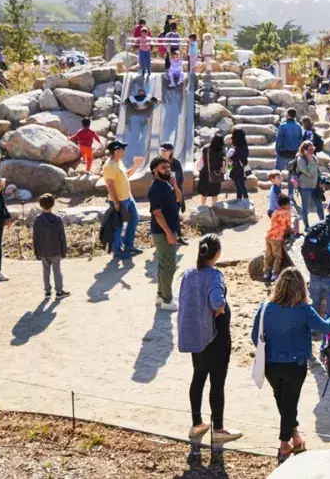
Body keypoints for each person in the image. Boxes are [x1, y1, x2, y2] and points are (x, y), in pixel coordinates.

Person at [251, 268, 330, 462]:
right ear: (301, 287)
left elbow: (254, 337)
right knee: (289, 403)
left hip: (270, 365)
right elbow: (324, 327)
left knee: (283, 400)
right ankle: (284, 444)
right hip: (294, 364)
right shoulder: (303, 309)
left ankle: (296, 437)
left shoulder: (265, 307)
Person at [177, 235, 242, 443]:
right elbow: (216, 300)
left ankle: (197, 424)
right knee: (217, 383)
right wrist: (220, 306)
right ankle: (219, 429)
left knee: (198, 377)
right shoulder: (214, 276)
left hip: (197, 336)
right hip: (216, 336)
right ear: (216, 254)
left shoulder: (189, 274)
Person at [149, 156, 184, 311]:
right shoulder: (155, 188)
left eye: (168, 167)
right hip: (163, 232)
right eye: (163, 167)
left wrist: (175, 185)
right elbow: (157, 213)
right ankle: (167, 300)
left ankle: (161, 295)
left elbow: (179, 199)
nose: (167, 170)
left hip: (169, 230)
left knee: (164, 263)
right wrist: (169, 233)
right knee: (169, 264)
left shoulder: (167, 184)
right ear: (155, 170)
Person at [103, 141, 145, 259]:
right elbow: (109, 185)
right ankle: (117, 250)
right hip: (120, 200)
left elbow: (126, 175)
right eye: (123, 149)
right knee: (119, 225)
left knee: (135, 219)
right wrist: (116, 202)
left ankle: (129, 245)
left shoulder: (118, 162)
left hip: (128, 197)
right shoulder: (110, 165)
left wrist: (136, 165)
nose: (124, 151)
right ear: (117, 151)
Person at [32, 194, 69, 299]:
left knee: (45, 271)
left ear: (40, 205)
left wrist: (36, 251)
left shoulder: (38, 220)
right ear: (53, 204)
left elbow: (36, 237)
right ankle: (59, 291)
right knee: (57, 270)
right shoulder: (58, 219)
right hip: (56, 250)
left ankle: (47, 292)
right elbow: (62, 236)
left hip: (43, 251)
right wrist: (63, 250)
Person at [265, 195, 294, 283]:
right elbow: (288, 227)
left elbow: (277, 225)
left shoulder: (275, 212)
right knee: (277, 257)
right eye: (289, 204)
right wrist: (293, 232)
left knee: (268, 255)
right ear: (286, 204)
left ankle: (266, 272)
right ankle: (275, 273)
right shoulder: (286, 213)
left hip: (268, 236)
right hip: (277, 238)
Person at [275, 109, 303, 198]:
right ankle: (291, 194)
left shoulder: (282, 126)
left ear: (288, 115)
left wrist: (277, 149)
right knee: (292, 174)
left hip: (282, 153)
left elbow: (279, 139)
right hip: (294, 154)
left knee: (277, 173)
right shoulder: (298, 126)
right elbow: (300, 141)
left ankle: (277, 192)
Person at [197, 134, 226, 207]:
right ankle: (214, 207)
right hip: (216, 174)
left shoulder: (206, 149)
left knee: (204, 192)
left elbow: (202, 160)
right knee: (215, 192)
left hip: (205, 172)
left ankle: (203, 207)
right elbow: (223, 163)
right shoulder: (222, 151)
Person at [227, 129, 250, 201]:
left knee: (241, 185)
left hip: (240, 168)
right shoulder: (241, 145)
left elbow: (239, 156)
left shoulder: (242, 147)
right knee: (238, 185)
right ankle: (239, 199)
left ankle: (246, 200)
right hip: (236, 168)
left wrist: (231, 157)